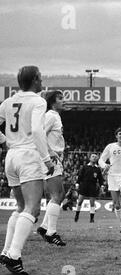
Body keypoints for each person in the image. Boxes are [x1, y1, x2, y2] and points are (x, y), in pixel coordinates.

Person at [0, 66, 55, 275]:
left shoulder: (7, 102)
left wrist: (5, 141)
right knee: (32, 209)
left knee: (21, 206)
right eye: (40, 78)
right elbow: (37, 131)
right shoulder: (38, 101)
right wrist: (46, 159)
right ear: (35, 80)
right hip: (29, 156)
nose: (42, 81)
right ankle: (14, 255)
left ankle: (6, 251)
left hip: (11, 156)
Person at [36, 90, 67, 246]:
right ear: (53, 102)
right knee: (57, 194)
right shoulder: (50, 116)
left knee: (59, 195)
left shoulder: (55, 116)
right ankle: (51, 233)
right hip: (49, 159)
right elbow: (39, 134)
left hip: (54, 158)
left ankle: (44, 227)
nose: (64, 101)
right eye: (60, 98)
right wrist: (49, 152)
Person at [74, 153, 104, 223]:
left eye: (95, 157)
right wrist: (77, 183)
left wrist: (102, 186)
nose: (94, 158)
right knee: (80, 201)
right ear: (90, 158)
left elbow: (100, 179)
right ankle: (77, 215)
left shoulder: (97, 169)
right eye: (93, 156)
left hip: (92, 186)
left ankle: (92, 219)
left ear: (97, 159)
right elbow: (80, 176)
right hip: (84, 185)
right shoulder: (85, 167)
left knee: (92, 203)